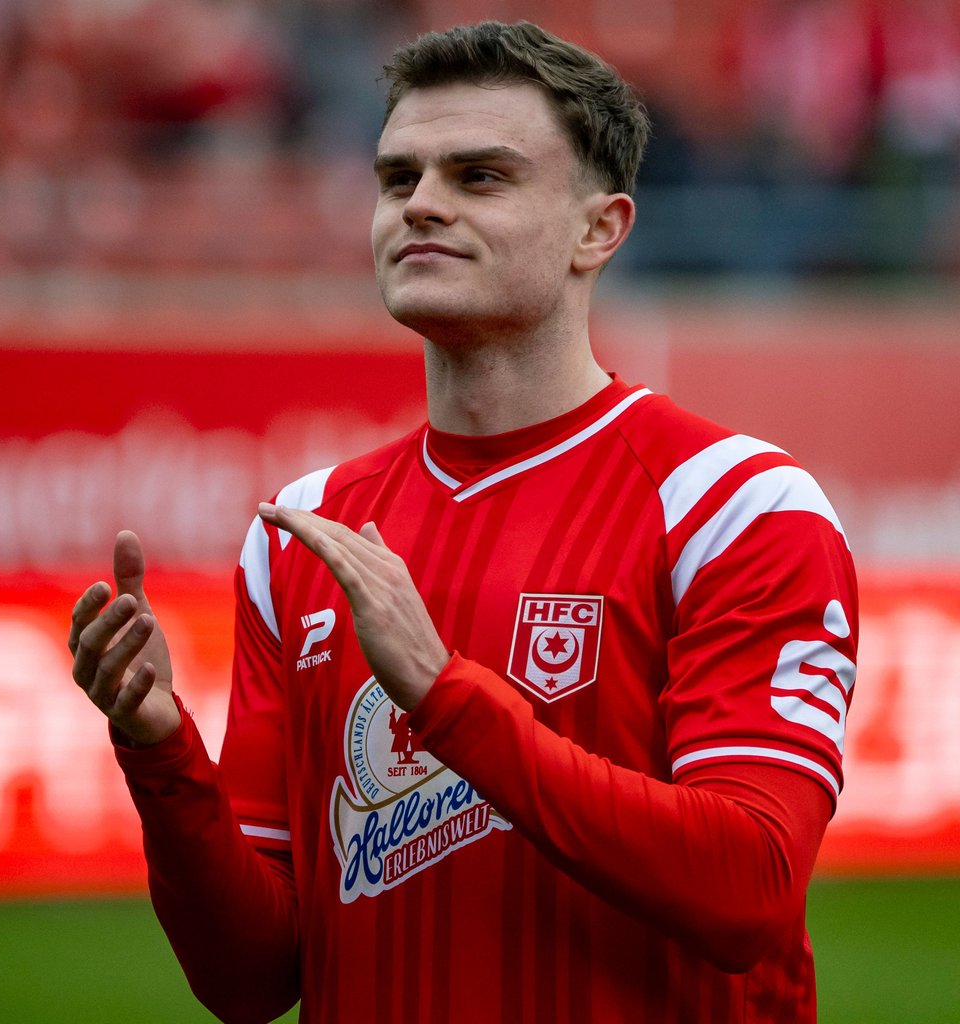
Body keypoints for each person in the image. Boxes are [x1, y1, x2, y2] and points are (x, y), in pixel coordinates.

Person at [68, 20, 858, 1024]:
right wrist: (160, 751)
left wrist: (445, 699)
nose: (422, 205)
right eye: (398, 179)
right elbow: (250, 978)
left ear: (598, 229)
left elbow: (748, 886)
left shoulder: (734, 506)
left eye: (479, 177)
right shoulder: (305, 530)